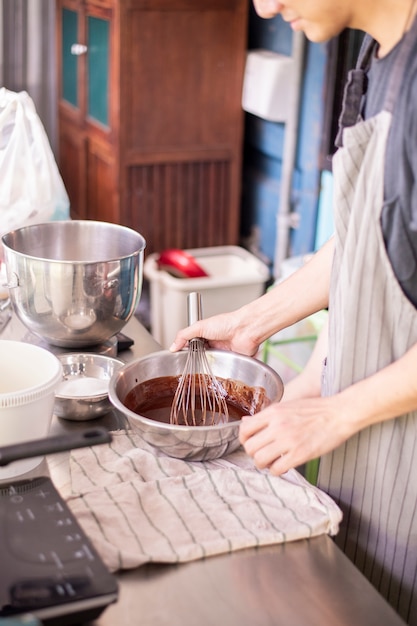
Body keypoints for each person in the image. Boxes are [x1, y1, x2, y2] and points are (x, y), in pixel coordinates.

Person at [169, 0, 417, 623]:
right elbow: (369, 238)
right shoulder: (373, 57)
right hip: (361, 459)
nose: (266, 6)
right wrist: (251, 325)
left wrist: (336, 411)